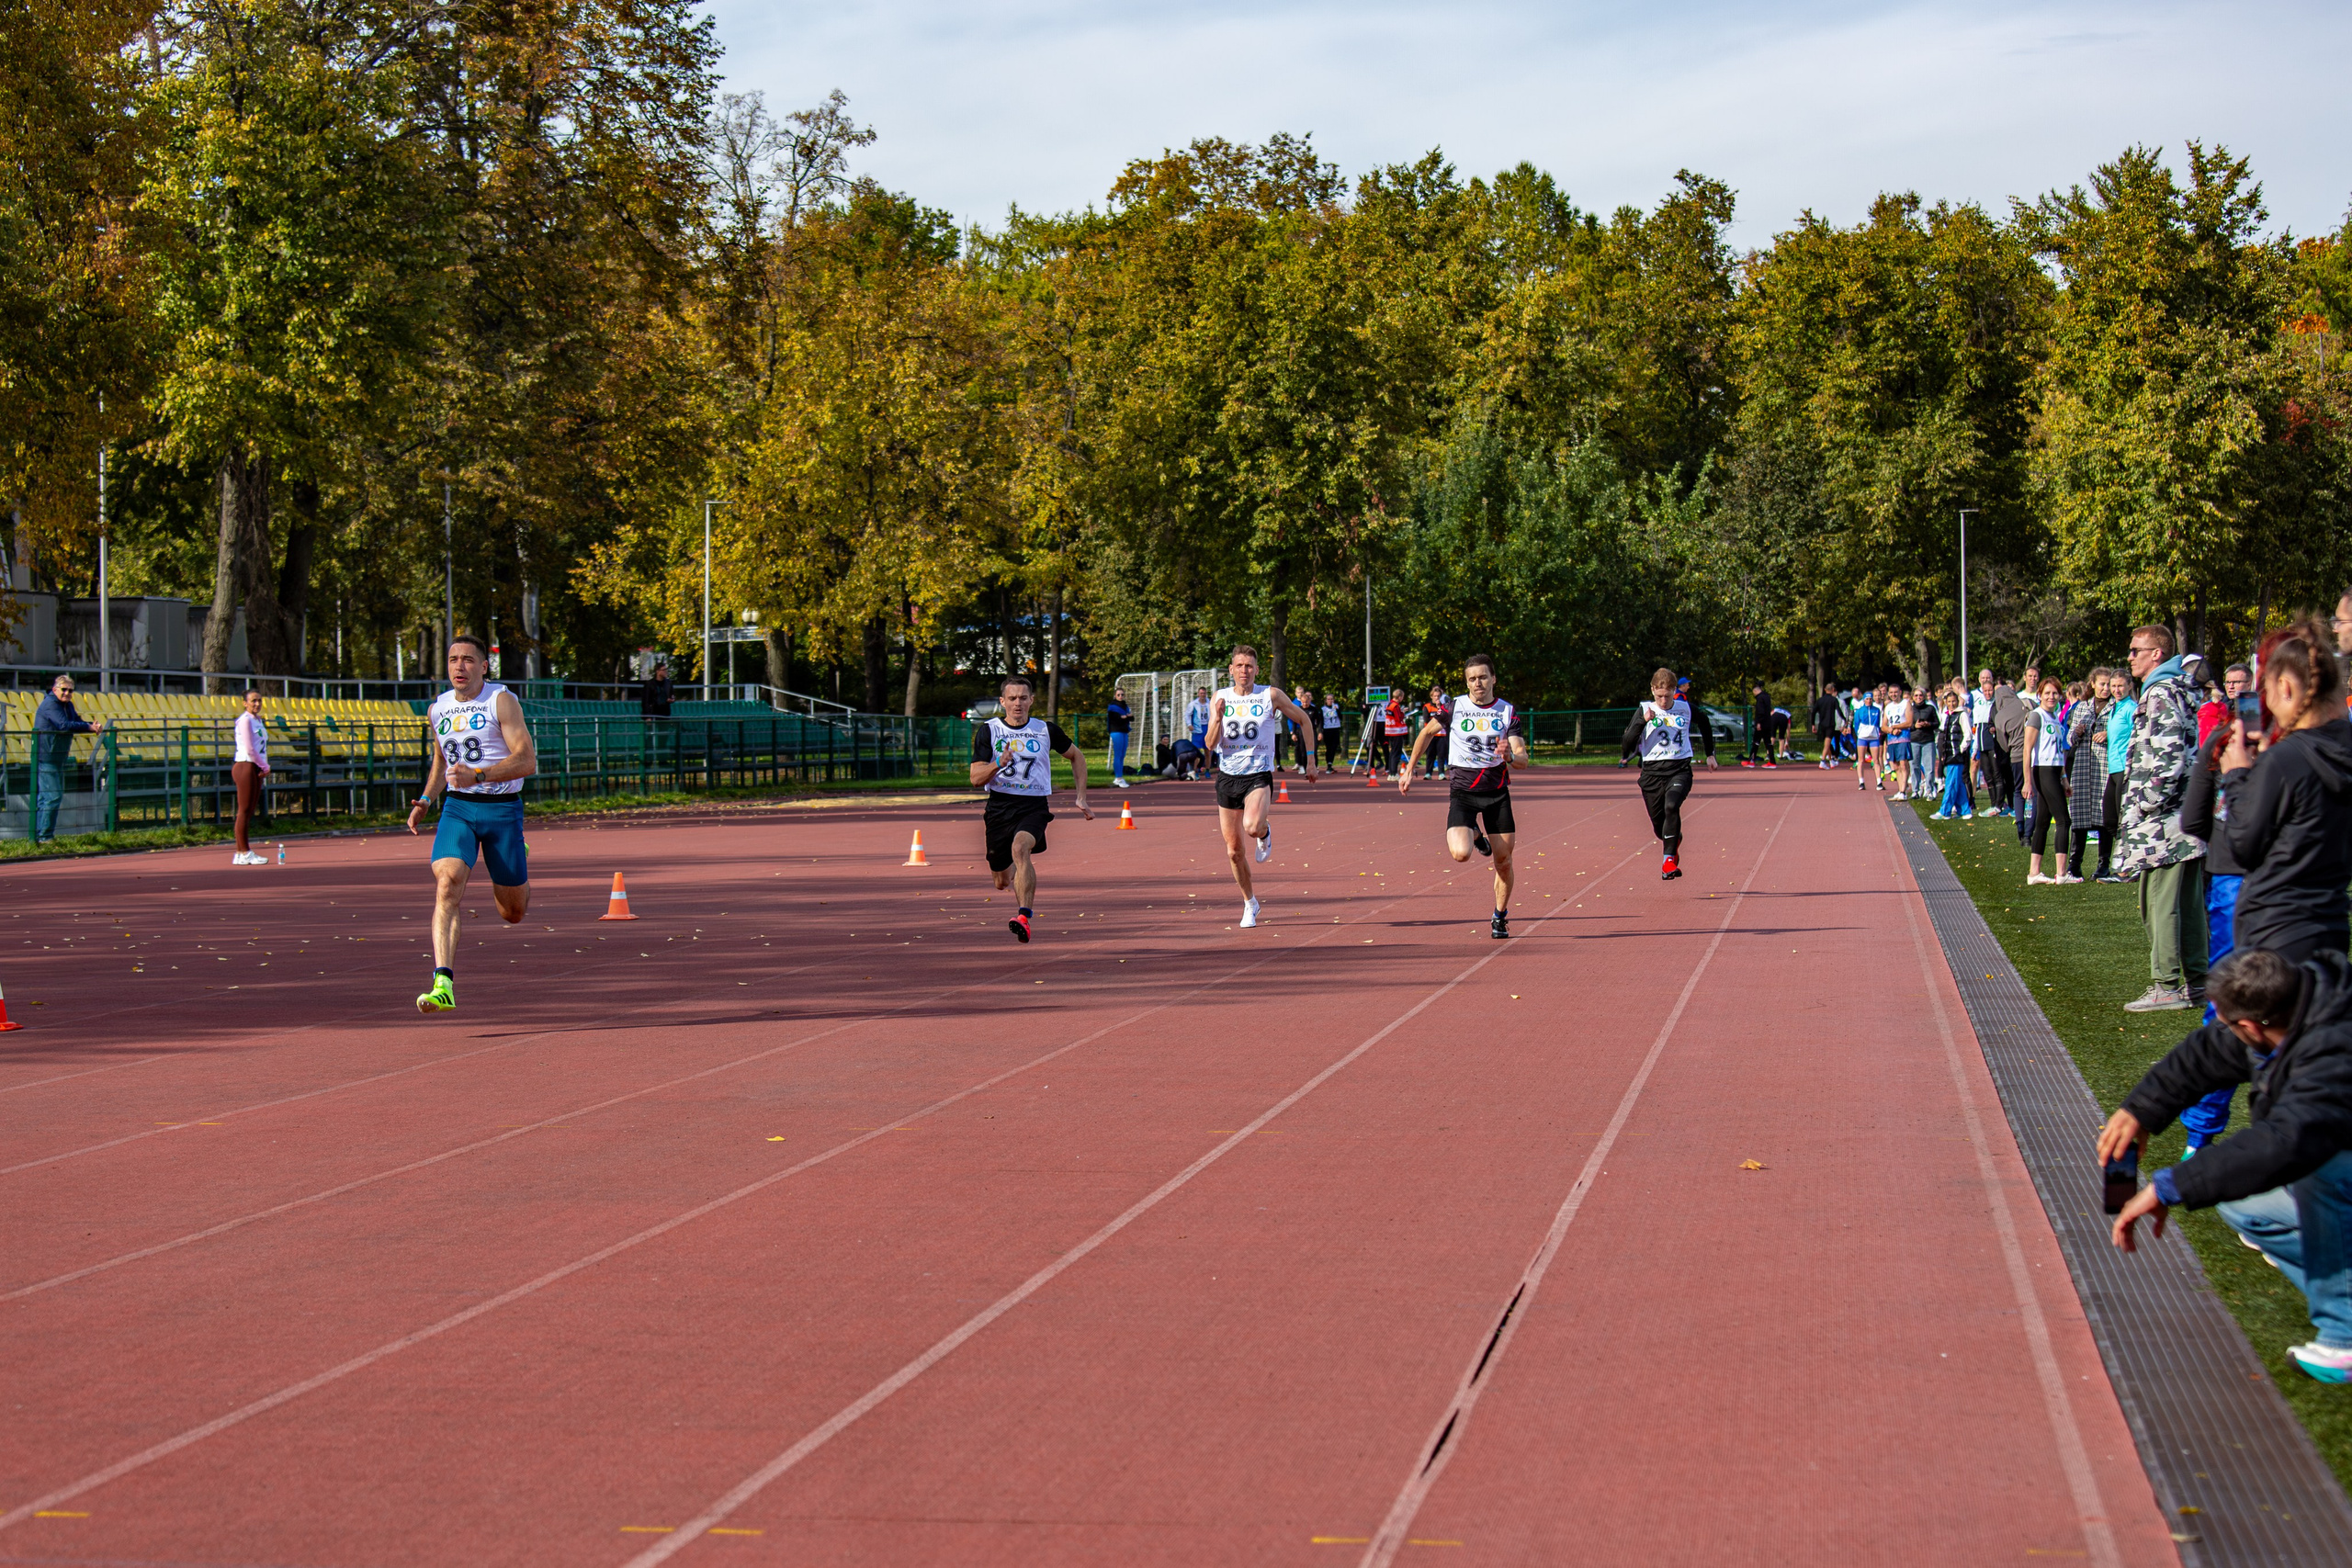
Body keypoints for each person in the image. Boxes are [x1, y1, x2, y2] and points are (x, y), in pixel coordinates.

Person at [2104, 948, 2352, 1383]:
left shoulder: (2334, 1052)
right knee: (2247, 1206)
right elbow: (2210, 1054)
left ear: (2251, 1026)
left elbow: (2286, 1141)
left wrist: (2168, 1186)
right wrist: (2142, 1108)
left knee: (2323, 1172)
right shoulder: (2299, 1005)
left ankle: (2346, 1338)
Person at [407, 635, 539, 1014]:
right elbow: (441, 761)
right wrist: (427, 800)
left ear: (484, 666)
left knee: (511, 913)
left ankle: (519, 854)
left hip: (501, 809)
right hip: (458, 808)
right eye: (452, 660)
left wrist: (479, 775)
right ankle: (443, 982)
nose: (459, 666)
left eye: (468, 660)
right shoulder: (438, 709)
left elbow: (527, 760)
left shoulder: (501, 700)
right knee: (447, 882)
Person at [2216, 616, 2352, 965]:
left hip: (2277, 929)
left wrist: (2238, 776)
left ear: (2286, 688)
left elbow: (2244, 845)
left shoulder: (2284, 760)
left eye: (2267, 688)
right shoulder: (2337, 747)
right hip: (2330, 923)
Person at [1401, 654, 1530, 939]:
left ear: (1493, 679)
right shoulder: (1454, 707)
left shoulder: (1507, 712)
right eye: (1472, 679)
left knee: (1503, 861)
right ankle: (1474, 833)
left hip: (1497, 795)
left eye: (1483, 677)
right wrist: (1410, 769)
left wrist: (1510, 755)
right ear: (1466, 682)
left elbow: (1522, 758)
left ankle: (1499, 916)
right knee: (1460, 854)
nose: (1477, 683)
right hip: (1463, 793)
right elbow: (1424, 733)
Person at [2119, 625, 2209, 1012]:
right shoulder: (2180, 688)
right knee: (2187, 905)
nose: (2130, 657)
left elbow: (2168, 756)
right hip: (2182, 819)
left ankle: (2167, 985)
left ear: (2158, 654)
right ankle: (2199, 984)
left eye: (2137, 650)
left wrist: (2147, 802)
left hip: (2164, 823)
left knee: (2159, 904)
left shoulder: (2161, 691)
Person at [969, 672, 1092, 942]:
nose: (1018, 703)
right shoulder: (989, 731)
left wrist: (1080, 796)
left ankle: (1023, 916)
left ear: (1032, 700)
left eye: (1023, 698)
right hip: (999, 808)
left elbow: (1077, 756)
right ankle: (1013, 871)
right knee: (1001, 881)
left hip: (1034, 806)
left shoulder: (1045, 729)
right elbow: (975, 779)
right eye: (1012, 698)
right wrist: (998, 764)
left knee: (1021, 847)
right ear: (1003, 701)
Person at [1204, 647, 1318, 928]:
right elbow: (1209, 744)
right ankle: (1250, 903)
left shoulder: (1270, 695)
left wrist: (1312, 759)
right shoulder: (1220, 698)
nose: (1244, 670)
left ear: (1257, 670)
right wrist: (1218, 717)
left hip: (1258, 774)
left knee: (1253, 826)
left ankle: (1265, 832)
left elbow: (1304, 720)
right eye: (1239, 665)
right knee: (1234, 851)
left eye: (1249, 666)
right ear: (1231, 670)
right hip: (1228, 776)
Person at [1621, 666, 1716, 880]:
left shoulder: (1685, 708)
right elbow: (1626, 744)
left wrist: (1710, 754)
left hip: (1679, 769)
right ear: (1653, 690)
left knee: (1672, 805)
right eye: (1659, 696)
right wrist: (1642, 721)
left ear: (1674, 690)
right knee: (1659, 829)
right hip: (1652, 773)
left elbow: (1705, 722)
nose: (1663, 701)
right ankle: (1674, 840)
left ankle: (1668, 861)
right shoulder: (1644, 709)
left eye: (1667, 695)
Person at [30, 673, 107, 845]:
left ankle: (38, 836)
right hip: (46, 756)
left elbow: (76, 721)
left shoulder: (68, 705)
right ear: (54, 689)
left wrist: (91, 726)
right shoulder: (50, 704)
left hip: (58, 756)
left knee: (47, 797)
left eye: (70, 690)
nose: (67, 693)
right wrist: (87, 727)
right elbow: (63, 725)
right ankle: (44, 837)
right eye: (63, 690)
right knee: (53, 796)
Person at [2021, 678, 2075, 884]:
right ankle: (2062, 874)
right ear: (2040, 695)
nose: (2051, 697)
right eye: (2047, 693)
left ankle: (2034, 873)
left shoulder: (2055, 718)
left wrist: (2064, 778)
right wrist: (2027, 781)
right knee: (2063, 820)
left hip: (2053, 771)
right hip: (2042, 770)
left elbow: (2058, 751)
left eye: (2055, 693)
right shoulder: (2037, 716)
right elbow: (2027, 749)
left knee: (2042, 822)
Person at [2064, 678, 2106, 881]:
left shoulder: (2115, 707)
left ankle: (2103, 864)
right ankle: (2074, 864)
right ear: (2093, 684)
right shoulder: (2082, 707)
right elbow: (2069, 738)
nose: (2106, 688)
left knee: (2103, 815)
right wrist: (2077, 733)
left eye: (2109, 685)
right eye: (2102, 684)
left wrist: (2109, 733)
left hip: (2103, 764)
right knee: (2079, 815)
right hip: (2082, 765)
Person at [2099, 666, 2137, 883]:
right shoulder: (2114, 708)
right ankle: (2129, 859)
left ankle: (2125, 868)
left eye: (2120, 685)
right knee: (2110, 818)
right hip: (2113, 768)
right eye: (2113, 686)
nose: (2116, 690)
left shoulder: (2131, 707)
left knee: (2122, 819)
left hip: (2125, 768)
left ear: (2129, 686)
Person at [231, 689, 271, 866]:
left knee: (248, 811)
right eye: (253, 701)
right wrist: (264, 765)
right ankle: (244, 851)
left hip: (255, 767)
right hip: (245, 766)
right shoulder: (245, 721)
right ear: (245, 703)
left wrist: (262, 765)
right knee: (244, 810)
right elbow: (250, 748)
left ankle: (240, 853)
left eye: (259, 701)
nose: (257, 704)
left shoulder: (258, 721)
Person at [1932, 685, 1973, 818]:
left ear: (1957, 701)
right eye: (1949, 702)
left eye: (1953, 701)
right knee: (1958, 783)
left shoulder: (1962, 714)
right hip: (1949, 753)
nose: (1951, 704)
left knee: (1950, 783)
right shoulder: (1946, 715)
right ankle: (1965, 811)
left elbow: (1968, 734)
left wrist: (1961, 749)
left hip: (1957, 754)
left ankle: (1945, 811)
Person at [2199, 663, 2251, 747]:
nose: (2231, 686)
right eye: (2227, 682)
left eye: (2236, 682)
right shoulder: (2218, 708)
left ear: (2249, 684)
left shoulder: (2257, 708)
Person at [1851, 684, 1883, 792]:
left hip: (1874, 737)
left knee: (1876, 760)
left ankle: (1879, 782)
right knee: (1861, 760)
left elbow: (1878, 723)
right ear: (1864, 700)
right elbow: (1856, 724)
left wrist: (1877, 732)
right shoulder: (1859, 711)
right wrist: (1860, 734)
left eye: (1870, 699)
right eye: (1867, 699)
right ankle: (1861, 782)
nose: (1869, 701)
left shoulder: (1877, 710)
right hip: (1862, 738)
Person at [1811, 683, 1843, 770]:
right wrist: (1844, 720)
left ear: (1825, 689)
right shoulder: (1834, 700)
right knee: (1827, 744)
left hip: (1822, 725)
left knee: (1827, 743)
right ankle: (1822, 761)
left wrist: (1813, 724)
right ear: (1833, 690)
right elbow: (1839, 711)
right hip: (1830, 724)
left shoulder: (1820, 700)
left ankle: (1831, 761)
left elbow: (1813, 712)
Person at [1105, 688, 1133, 786]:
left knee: (1122, 754)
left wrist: (1125, 717)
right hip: (1116, 731)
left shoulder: (1125, 706)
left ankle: (1120, 777)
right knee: (1118, 754)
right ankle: (1118, 777)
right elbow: (1115, 719)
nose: (1121, 696)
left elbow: (1131, 717)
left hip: (1125, 731)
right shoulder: (1112, 707)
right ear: (1115, 696)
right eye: (1118, 695)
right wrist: (1124, 717)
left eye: (1122, 694)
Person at [1381, 689, 1410, 775]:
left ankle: (1391, 772)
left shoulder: (1389, 705)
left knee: (1392, 752)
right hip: (1396, 731)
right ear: (1400, 697)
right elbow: (1399, 718)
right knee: (1396, 753)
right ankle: (1393, 773)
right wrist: (1403, 712)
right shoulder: (1395, 706)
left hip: (1390, 731)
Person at [1319, 691, 1344, 770]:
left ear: (1334, 700)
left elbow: (1341, 717)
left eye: (1331, 699)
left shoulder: (1336, 707)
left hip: (1335, 728)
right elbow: (1321, 721)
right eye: (1328, 699)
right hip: (1327, 729)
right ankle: (1328, 764)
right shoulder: (1323, 709)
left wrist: (1337, 710)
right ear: (1326, 700)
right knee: (1328, 747)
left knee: (1334, 747)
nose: (1330, 701)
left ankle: (1331, 763)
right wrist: (1320, 731)